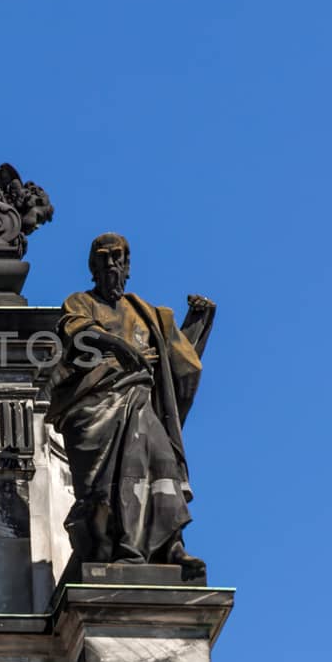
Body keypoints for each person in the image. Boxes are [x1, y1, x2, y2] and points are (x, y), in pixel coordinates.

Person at [44, 233, 216, 579]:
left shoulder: (148, 313)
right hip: (99, 407)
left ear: (128, 265)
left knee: (163, 463)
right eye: (104, 258)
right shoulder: (80, 302)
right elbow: (76, 332)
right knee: (120, 475)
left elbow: (178, 365)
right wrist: (120, 348)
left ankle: (170, 546)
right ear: (92, 267)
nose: (111, 264)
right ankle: (126, 547)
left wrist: (199, 322)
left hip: (139, 400)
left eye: (118, 257)